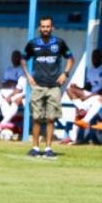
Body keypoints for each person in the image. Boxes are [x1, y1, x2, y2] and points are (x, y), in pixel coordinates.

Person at [21, 16, 74, 158]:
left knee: (51, 118)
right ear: (39, 28)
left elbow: (70, 58)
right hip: (38, 86)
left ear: (52, 28)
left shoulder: (59, 43)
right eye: (43, 26)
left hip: (54, 87)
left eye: (48, 26)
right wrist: (28, 76)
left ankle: (49, 148)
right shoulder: (33, 44)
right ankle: (35, 148)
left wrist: (65, 74)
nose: (45, 29)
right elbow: (23, 59)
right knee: (36, 118)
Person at [66, 48, 102, 130]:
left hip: (100, 95)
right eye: (93, 57)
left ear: (100, 58)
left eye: (97, 57)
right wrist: (78, 87)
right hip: (91, 94)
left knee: (91, 101)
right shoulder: (90, 70)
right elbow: (88, 87)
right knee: (70, 90)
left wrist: (92, 94)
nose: (94, 59)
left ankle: (83, 110)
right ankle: (82, 108)